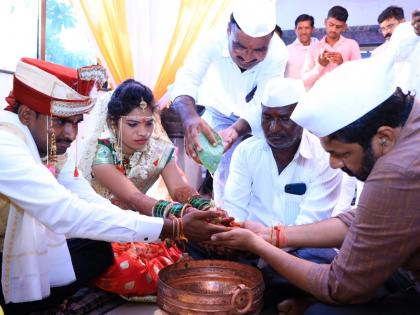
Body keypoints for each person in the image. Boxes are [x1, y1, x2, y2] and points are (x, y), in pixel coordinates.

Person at [211, 15, 420, 315]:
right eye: (268, 118)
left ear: (383, 138)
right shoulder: (409, 122)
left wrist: (259, 245)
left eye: (341, 154)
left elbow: (339, 287)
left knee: (320, 311)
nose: (335, 164)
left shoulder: (396, 171)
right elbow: (360, 219)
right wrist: (272, 236)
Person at [0, 58, 227, 314]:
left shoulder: (52, 148)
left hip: (94, 226)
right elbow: (66, 212)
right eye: (61, 122)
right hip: (24, 245)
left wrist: (189, 215)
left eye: (76, 122)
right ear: (27, 115)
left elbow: (89, 201)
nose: (71, 134)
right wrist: (173, 226)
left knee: (98, 250)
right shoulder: (5, 144)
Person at [78, 78, 228, 296]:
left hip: (137, 229)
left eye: (148, 123)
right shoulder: (101, 153)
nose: (143, 132)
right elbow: (134, 199)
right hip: (100, 231)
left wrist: (205, 207)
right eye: (133, 124)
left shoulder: (159, 151)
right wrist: (183, 215)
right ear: (113, 121)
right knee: (133, 270)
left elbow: (179, 190)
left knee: (180, 264)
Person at [168, 0, 288, 205]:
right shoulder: (211, 38)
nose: (248, 57)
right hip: (220, 109)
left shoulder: (278, 52)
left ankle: (265, 224)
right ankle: (228, 221)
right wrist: (190, 118)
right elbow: (187, 78)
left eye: (259, 50)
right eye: (240, 46)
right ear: (228, 30)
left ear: (270, 39)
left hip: (259, 113)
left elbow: (263, 101)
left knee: (265, 172)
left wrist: (235, 131)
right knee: (225, 174)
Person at [223, 77, 352, 229]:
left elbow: (310, 226)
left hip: (303, 247)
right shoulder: (246, 152)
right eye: (267, 118)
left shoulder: (324, 158)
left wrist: (262, 242)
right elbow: (235, 209)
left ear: (302, 116)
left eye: (285, 119)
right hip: (246, 245)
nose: (274, 128)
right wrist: (233, 234)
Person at [301, 5, 360, 90]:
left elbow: (359, 76)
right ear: (325, 22)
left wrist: (342, 64)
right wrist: (320, 66)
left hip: (345, 95)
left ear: (344, 27)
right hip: (320, 97)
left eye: (338, 27)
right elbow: (304, 81)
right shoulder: (314, 47)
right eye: (331, 24)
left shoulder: (352, 45)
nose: (333, 29)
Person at [285, 14, 319, 79]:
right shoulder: (287, 51)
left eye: (307, 28)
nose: (303, 32)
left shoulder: (321, 48)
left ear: (313, 29)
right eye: (300, 28)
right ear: (295, 30)